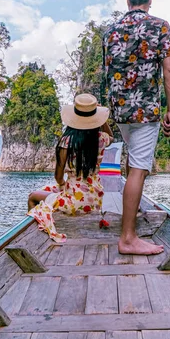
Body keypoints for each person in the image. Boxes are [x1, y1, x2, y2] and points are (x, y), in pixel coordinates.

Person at [103, 0, 170, 256]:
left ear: (127, 1)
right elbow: (168, 71)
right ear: (149, 1)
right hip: (145, 111)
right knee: (138, 169)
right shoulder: (160, 26)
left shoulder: (110, 32)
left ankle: (128, 230)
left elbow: (108, 73)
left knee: (132, 164)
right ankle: (128, 238)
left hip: (121, 112)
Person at [27, 93, 113, 242]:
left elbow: (59, 178)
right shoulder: (101, 138)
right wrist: (101, 120)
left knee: (33, 197)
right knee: (49, 190)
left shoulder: (67, 141)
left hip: (74, 200)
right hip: (95, 198)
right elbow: (111, 136)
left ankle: (35, 239)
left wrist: (62, 186)